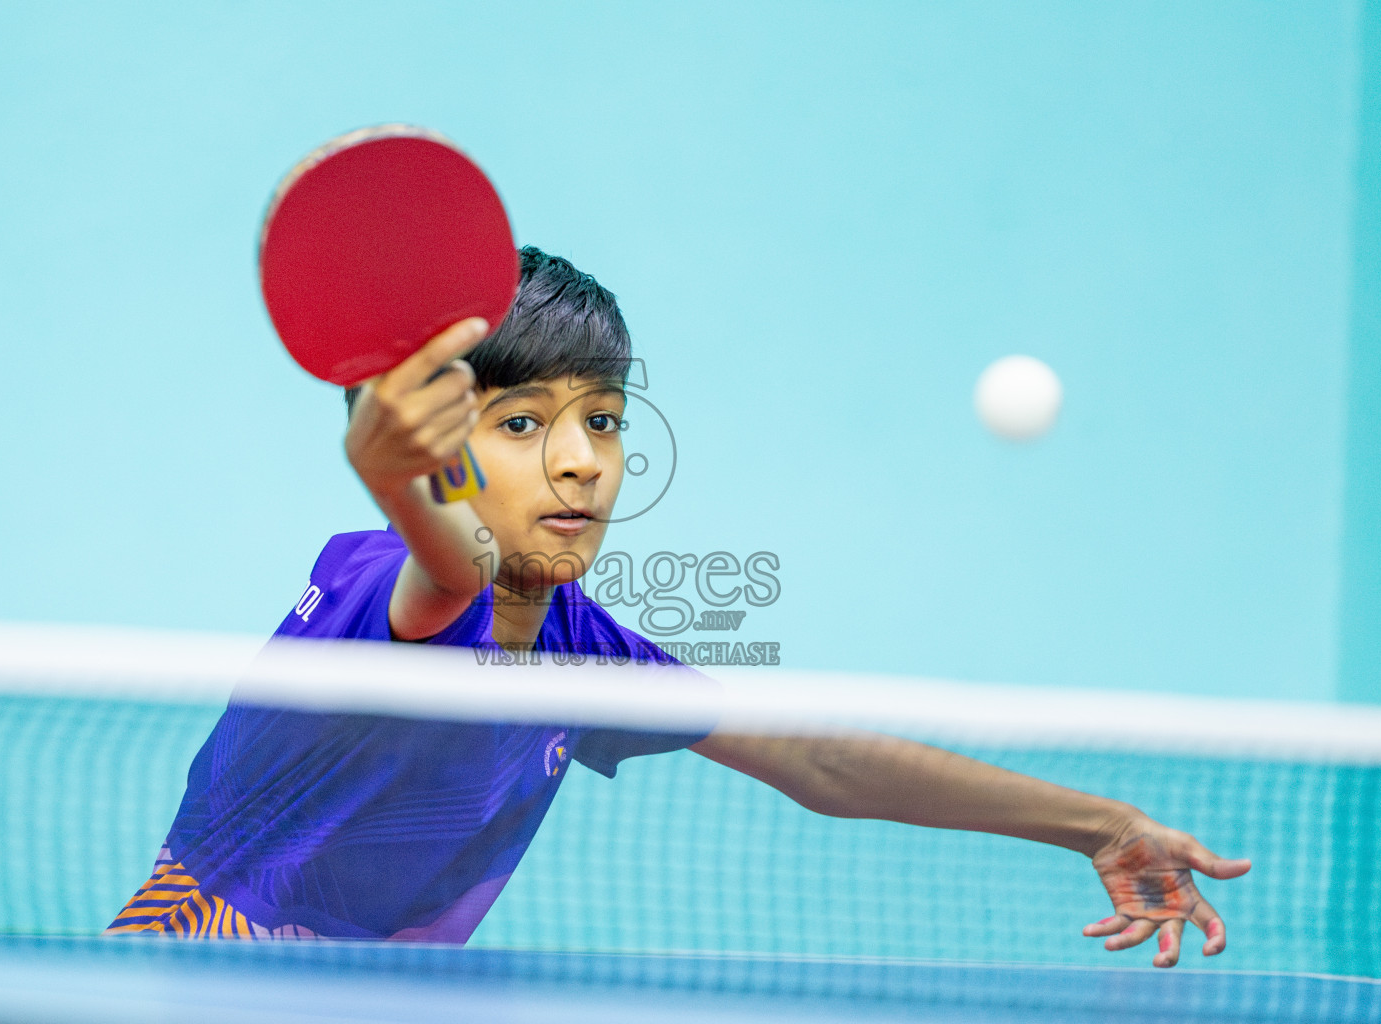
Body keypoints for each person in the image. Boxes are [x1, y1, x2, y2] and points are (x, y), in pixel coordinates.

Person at [108, 247, 1249, 967]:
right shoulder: (384, 582)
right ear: (442, 450)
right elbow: (444, 572)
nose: (582, 462)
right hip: (182, 989)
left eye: (602, 421)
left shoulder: (583, 649)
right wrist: (397, 480)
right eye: (523, 424)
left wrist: (1101, 825)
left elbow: (825, 764)